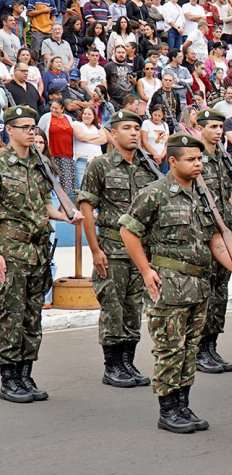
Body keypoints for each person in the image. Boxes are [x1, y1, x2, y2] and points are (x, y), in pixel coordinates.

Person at [118, 133, 232, 433]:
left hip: (198, 285)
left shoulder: (203, 196)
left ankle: (183, 403)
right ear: (172, 161)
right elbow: (128, 231)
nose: (198, 164)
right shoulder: (155, 193)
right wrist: (145, 270)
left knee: (190, 348)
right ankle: (168, 409)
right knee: (170, 348)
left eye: (200, 159)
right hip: (169, 284)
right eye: (191, 159)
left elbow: (216, 240)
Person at [0, 106, 82, 403]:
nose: (30, 131)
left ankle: (25, 373)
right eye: (24, 127)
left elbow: (43, 205)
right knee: (11, 315)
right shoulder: (1, 165)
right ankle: (7, 376)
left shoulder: (42, 164)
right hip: (11, 250)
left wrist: (64, 215)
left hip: (38, 248)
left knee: (32, 316)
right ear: (9, 129)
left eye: (33, 127)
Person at [77, 110, 160, 388]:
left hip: (140, 252)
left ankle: (127, 362)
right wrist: (95, 249)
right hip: (111, 249)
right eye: (127, 128)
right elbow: (87, 207)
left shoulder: (146, 168)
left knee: (133, 308)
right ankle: (112, 365)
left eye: (137, 128)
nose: (134, 132)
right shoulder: (100, 165)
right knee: (113, 308)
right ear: (112, 134)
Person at [195, 110, 232, 374]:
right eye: (212, 126)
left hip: (225, 232)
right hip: (204, 236)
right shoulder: (196, 156)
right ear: (200, 129)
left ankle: (212, 346)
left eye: (220, 126)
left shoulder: (223, 156)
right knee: (205, 293)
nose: (218, 131)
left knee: (220, 292)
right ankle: (199, 348)